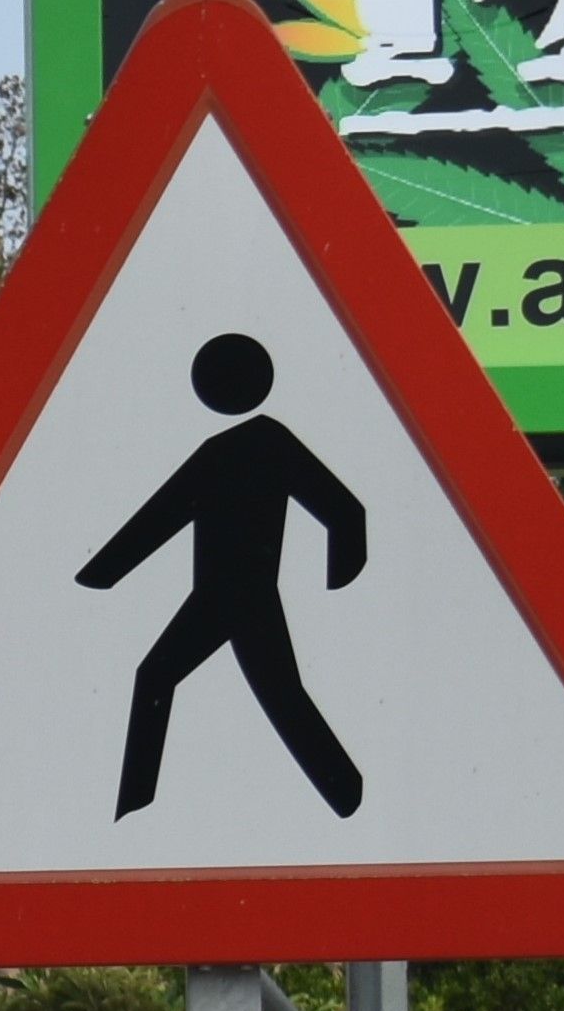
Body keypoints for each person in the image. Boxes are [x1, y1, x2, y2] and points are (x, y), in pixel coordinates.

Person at [76, 331, 370, 821]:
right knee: (171, 679)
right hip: (216, 597)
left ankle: (349, 797)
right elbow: (159, 518)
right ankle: (133, 810)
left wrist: (341, 581)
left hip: (245, 597)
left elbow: (343, 510)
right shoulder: (225, 451)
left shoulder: (263, 443)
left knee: (263, 692)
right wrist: (101, 573)